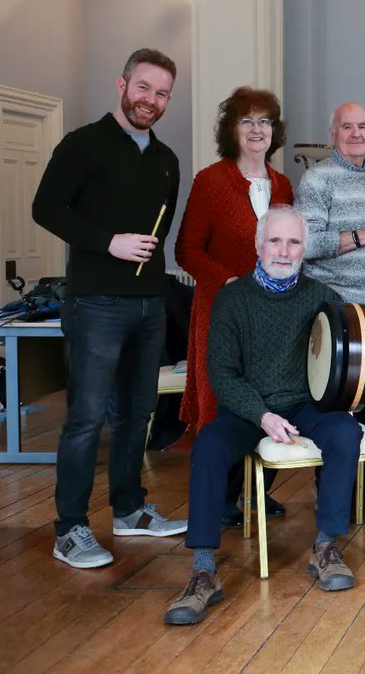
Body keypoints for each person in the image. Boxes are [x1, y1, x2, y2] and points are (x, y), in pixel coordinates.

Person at [164, 206, 365, 624]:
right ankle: (203, 571)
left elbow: (337, 359)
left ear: (304, 249)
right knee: (210, 444)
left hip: (305, 403)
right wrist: (262, 416)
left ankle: (326, 546)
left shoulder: (321, 297)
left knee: (347, 433)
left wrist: (349, 392)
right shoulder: (232, 299)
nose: (283, 250)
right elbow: (221, 374)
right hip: (248, 407)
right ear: (259, 246)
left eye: (293, 242)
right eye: (275, 240)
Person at [32, 48, 187, 569]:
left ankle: (129, 510)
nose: (152, 100)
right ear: (121, 86)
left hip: (148, 304)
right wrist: (109, 243)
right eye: (143, 88)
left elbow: (162, 228)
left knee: (138, 414)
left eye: (162, 93)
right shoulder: (82, 144)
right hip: (95, 302)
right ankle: (69, 529)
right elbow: (46, 208)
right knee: (86, 417)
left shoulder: (166, 159)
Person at [176, 86, 294, 526]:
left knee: (271, 393)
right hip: (222, 309)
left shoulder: (282, 184)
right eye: (248, 121)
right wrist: (227, 280)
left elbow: (289, 245)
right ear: (233, 130)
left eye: (265, 121)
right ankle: (222, 499)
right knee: (222, 399)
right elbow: (186, 250)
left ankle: (257, 493)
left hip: (272, 313)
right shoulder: (211, 180)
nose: (257, 129)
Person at [295, 102, 365, 504]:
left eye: (363, 126)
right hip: (339, 306)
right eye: (348, 127)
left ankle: (359, 479)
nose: (356, 133)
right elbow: (306, 245)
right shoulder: (316, 178)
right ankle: (335, 485)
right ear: (333, 133)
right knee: (336, 399)